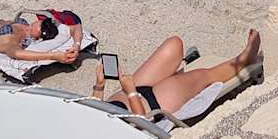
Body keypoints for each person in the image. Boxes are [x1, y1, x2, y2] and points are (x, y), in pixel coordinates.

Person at [92, 28, 260, 120]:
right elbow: (141, 124)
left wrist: (99, 87)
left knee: (174, 45)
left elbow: (92, 116)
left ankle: (172, 76)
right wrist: (131, 93)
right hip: (152, 106)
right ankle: (244, 59)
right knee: (204, 76)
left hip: (127, 92)